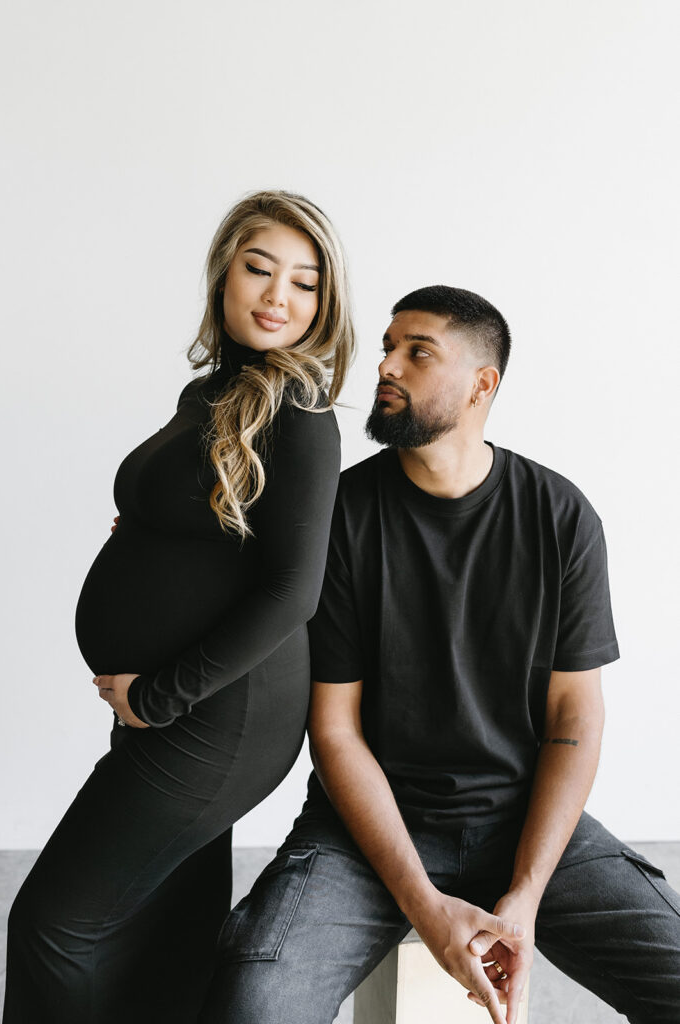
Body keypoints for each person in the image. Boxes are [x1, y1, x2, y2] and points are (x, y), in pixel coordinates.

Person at [199, 286, 680, 1024]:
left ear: (482, 384)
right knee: (252, 1004)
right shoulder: (339, 515)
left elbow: (573, 715)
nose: (385, 365)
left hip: (522, 816)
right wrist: (423, 906)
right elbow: (334, 730)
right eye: (388, 346)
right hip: (362, 831)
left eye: (416, 352)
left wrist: (523, 894)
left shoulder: (559, 515)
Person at [4, 190, 355, 1024]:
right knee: (160, 928)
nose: (278, 296)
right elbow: (211, 521)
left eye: (304, 283)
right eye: (259, 268)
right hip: (185, 702)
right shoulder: (214, 392)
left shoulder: (300, 413)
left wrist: (157, 696)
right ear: (223, 276)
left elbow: (291, 591)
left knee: (55, 924)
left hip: (217, 712)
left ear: (324, 304)